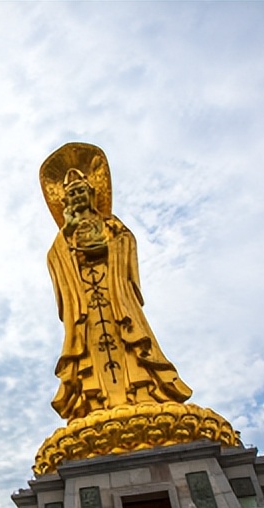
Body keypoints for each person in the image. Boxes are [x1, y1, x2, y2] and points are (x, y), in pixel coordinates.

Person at [42, 143, 192, 420]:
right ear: (64, 203)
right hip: (85, 302)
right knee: (89, 348)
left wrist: (107, 250)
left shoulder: (113, 227)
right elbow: (56, 259)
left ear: (91, 194)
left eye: (80, 192)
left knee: (130, 339)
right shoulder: (63, 238)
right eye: (70, 194)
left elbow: (125, 244)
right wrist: (69, 234)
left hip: (114, 297)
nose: (76, 197)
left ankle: (144, 393)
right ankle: (97, 401)